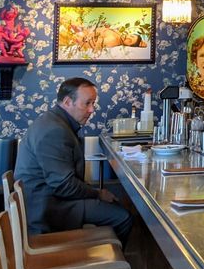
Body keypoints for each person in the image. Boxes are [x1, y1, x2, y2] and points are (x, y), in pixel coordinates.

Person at [14, 77, 133, 243]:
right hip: (48, 208)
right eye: (87, 103)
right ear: (68, 102)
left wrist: (95, 194)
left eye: (93, 103)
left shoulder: (54, 121)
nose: (92, 109)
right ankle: (104, 258)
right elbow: (63, 185)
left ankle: (100, 252)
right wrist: (98, 194)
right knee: (123, 217)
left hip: (48, 200)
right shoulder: (54, 130)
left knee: (113, 206)